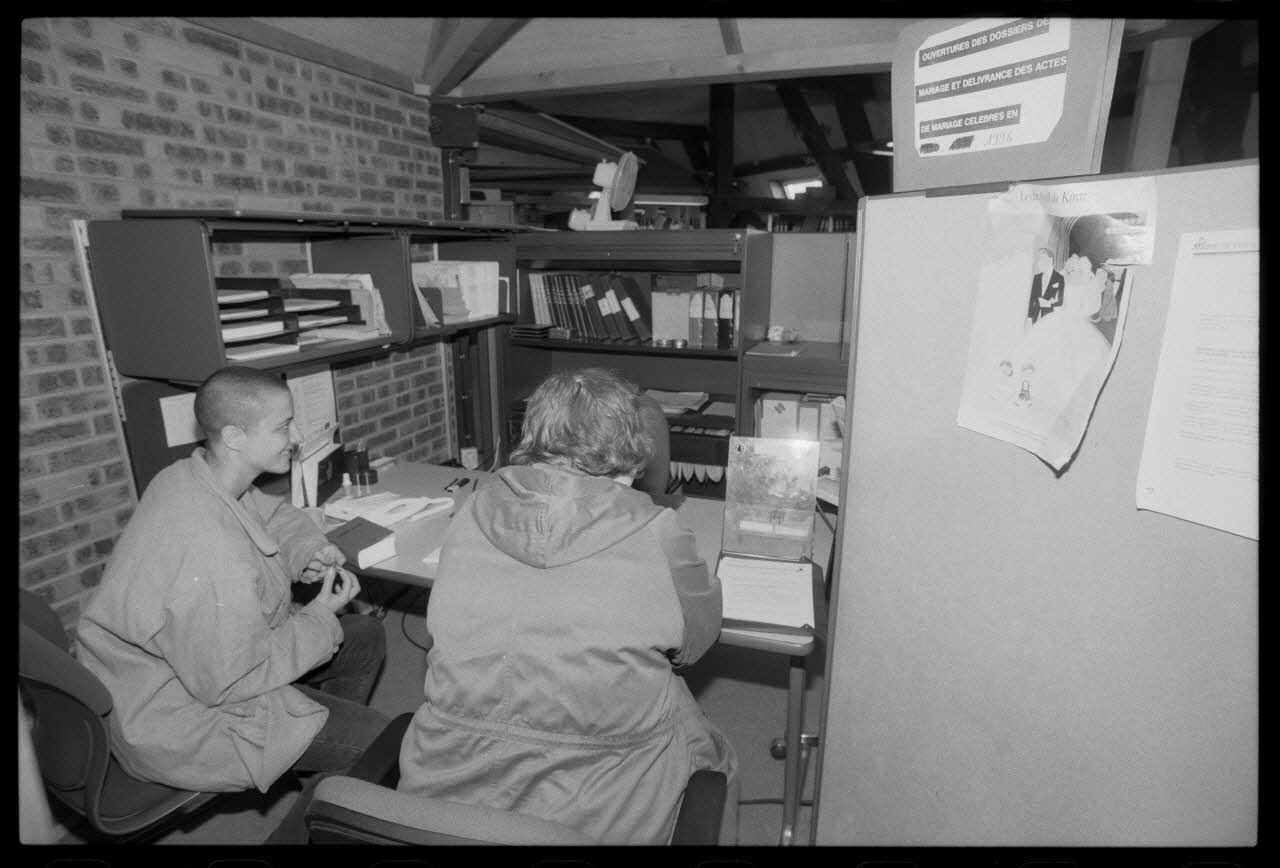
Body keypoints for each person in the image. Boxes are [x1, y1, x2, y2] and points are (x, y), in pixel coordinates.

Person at [397, 367, 739, 844]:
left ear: (535, 434)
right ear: (632, 443)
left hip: (450, 786)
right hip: (602, 802)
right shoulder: (657, 529)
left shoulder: (472, 509)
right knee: (716, 754)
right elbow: (695, 644)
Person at [74, 365, 390, 845]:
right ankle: (320, 800)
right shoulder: (207, 548)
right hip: (179, 715)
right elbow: (232, 680)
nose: (297, 436)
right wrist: (319, 615)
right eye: (284, 427)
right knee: (384, 742)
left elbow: (271, 513)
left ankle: (317, 764)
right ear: (236, 436)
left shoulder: (196, 474)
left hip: (193, 671)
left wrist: (308, 549)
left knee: (364, 636)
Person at [1026, 247, 1065, 324]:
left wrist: (1048, 303)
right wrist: (1029, 318)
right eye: (1039, 260)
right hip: (1035, 318)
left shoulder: (1059, 278)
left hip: (1050, 318)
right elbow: (1032, 299)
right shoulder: (1036, 277)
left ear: (1049, 261)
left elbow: (1060, 301)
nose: (1038, 263)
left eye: (1041, 260)